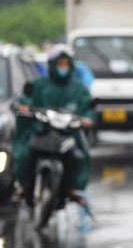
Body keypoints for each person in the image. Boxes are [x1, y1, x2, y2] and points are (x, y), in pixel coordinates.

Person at [12, 44, 96, 208]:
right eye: (60, 64)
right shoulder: (40, 85)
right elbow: (26, 99)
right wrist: (25, 107)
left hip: (67, 135)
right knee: (25, 154)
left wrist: (87, 119)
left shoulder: (78, 89)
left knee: (78, 157)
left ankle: (72, 189)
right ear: (52, 65)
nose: (63, 68)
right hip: (41, 132)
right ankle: (23, 186)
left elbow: (87, 108)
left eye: (66, 64)